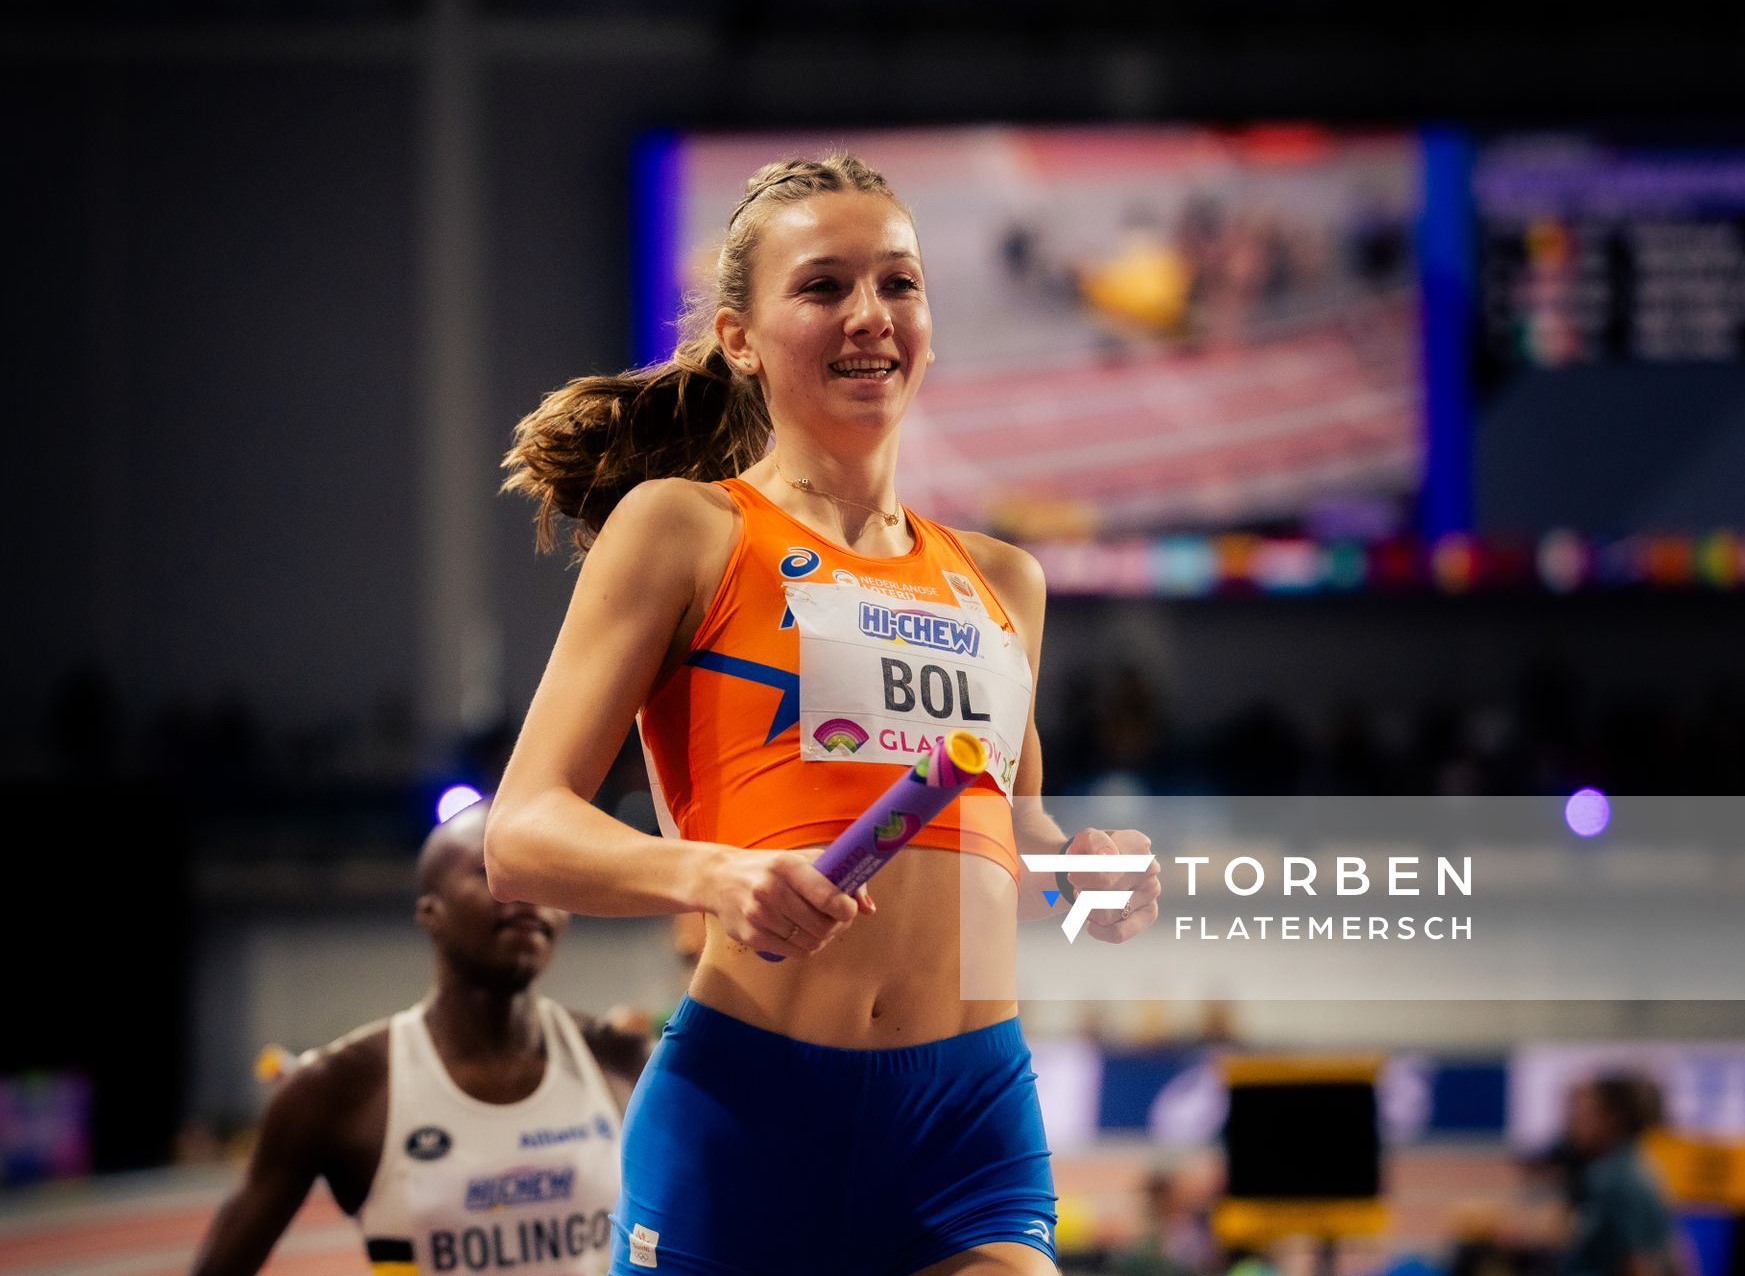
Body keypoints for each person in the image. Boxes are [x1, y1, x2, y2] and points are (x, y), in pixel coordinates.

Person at [487, 152, 1161, 1276]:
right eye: (823, 286)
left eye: (898, 283)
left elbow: (1015, 832)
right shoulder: (684, 529)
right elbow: (518, 835)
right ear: (740, 336)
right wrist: (713, 875)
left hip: (968, 1118)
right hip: (750, 1110)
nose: (870, 317)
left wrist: (1087, 871)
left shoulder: (1004, 581)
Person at [189, 801, 646, 1276]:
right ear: (432, 911)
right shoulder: (334, 1090)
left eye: (544, 876)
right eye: (497, 873)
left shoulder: (625, 1061)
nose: (527, 894)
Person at [1557, 1074, 1678, 1276]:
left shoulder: (1615, 1179)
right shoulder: (1635, 1164)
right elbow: (1674, 1247)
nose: (1572, 1121)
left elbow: (1639, 1263)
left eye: (1586, 1114)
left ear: (1614, 1119)